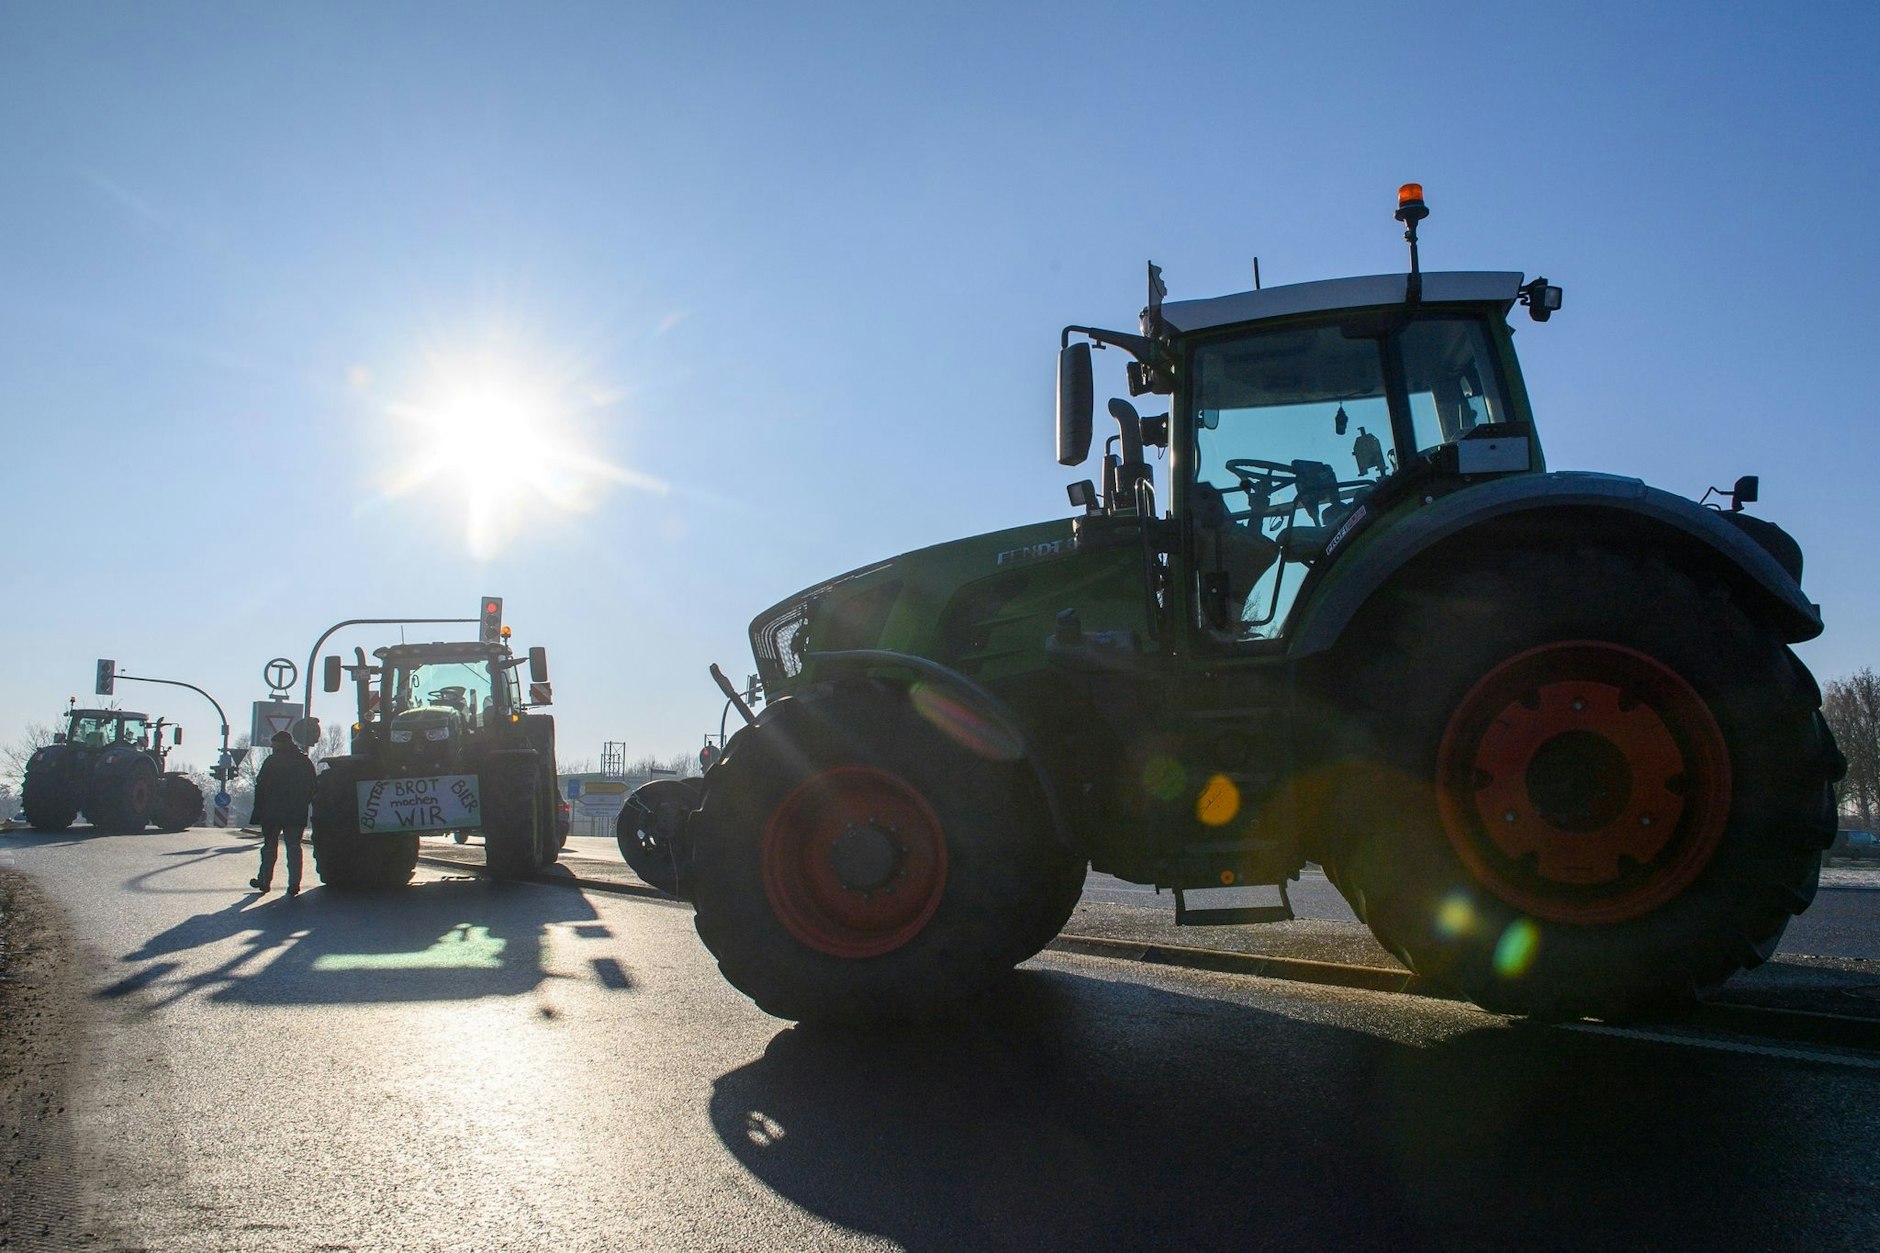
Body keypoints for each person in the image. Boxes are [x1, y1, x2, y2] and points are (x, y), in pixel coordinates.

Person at [250, 730, 317, 897]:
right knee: (294, 847)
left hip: (272, 812)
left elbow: (261, 786)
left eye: (274, 744)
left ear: (279, 744)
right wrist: (303, 803)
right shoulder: (304, 761)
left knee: (269, 847)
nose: (272, 747)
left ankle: (265, 881)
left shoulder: (272, 761)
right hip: (296, 812)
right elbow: (313, 787)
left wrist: (258, 810)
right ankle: (294, 884)